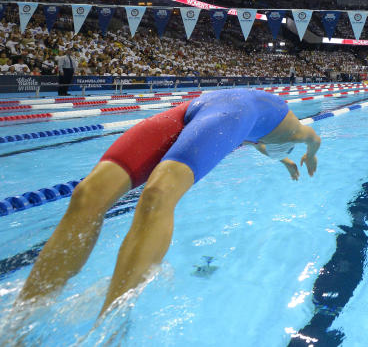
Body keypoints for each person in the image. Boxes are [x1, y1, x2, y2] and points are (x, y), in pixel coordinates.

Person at [14, 88, 322, 319]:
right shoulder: (297, 132)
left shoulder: (262, 140)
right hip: (214, 109)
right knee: (87, 193)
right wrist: (310, 153)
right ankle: (23, 318)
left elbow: (255, 144)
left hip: (212, 106)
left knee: (157, 193)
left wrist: (284, 161)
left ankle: (110, 327)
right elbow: (314, 139)